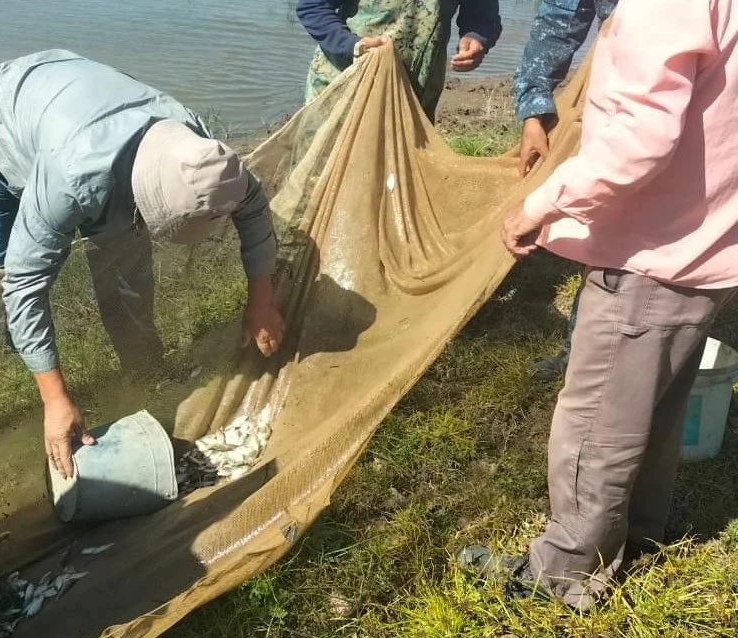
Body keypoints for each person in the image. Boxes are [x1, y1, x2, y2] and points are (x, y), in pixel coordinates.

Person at [465, 0, 738, 610]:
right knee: (651, 408)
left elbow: (639, 141)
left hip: (650, 251)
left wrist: (541, 204)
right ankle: (636, 535)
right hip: (706, 243)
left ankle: (563, 573)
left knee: (596, 424)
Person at [0, 50, 285, 478]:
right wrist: (55, 400)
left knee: (127, 274)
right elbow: (23, 281)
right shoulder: (73, 176)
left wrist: (262, 300)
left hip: (64, 113)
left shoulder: (201, 152)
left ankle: (147, 376)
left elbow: (254, 207)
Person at [513, 0, 617, 382]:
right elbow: (559, 18)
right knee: (613, 236)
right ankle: (581, 353)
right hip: (627, 107)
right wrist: (534, 110)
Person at [296, 0, 502, 121]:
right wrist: (351, 46)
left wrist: (476, 36)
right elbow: (313, 6)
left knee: (395, 181)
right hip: (345, 83)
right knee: (325, 180)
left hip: (416, 92)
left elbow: (481, 11)